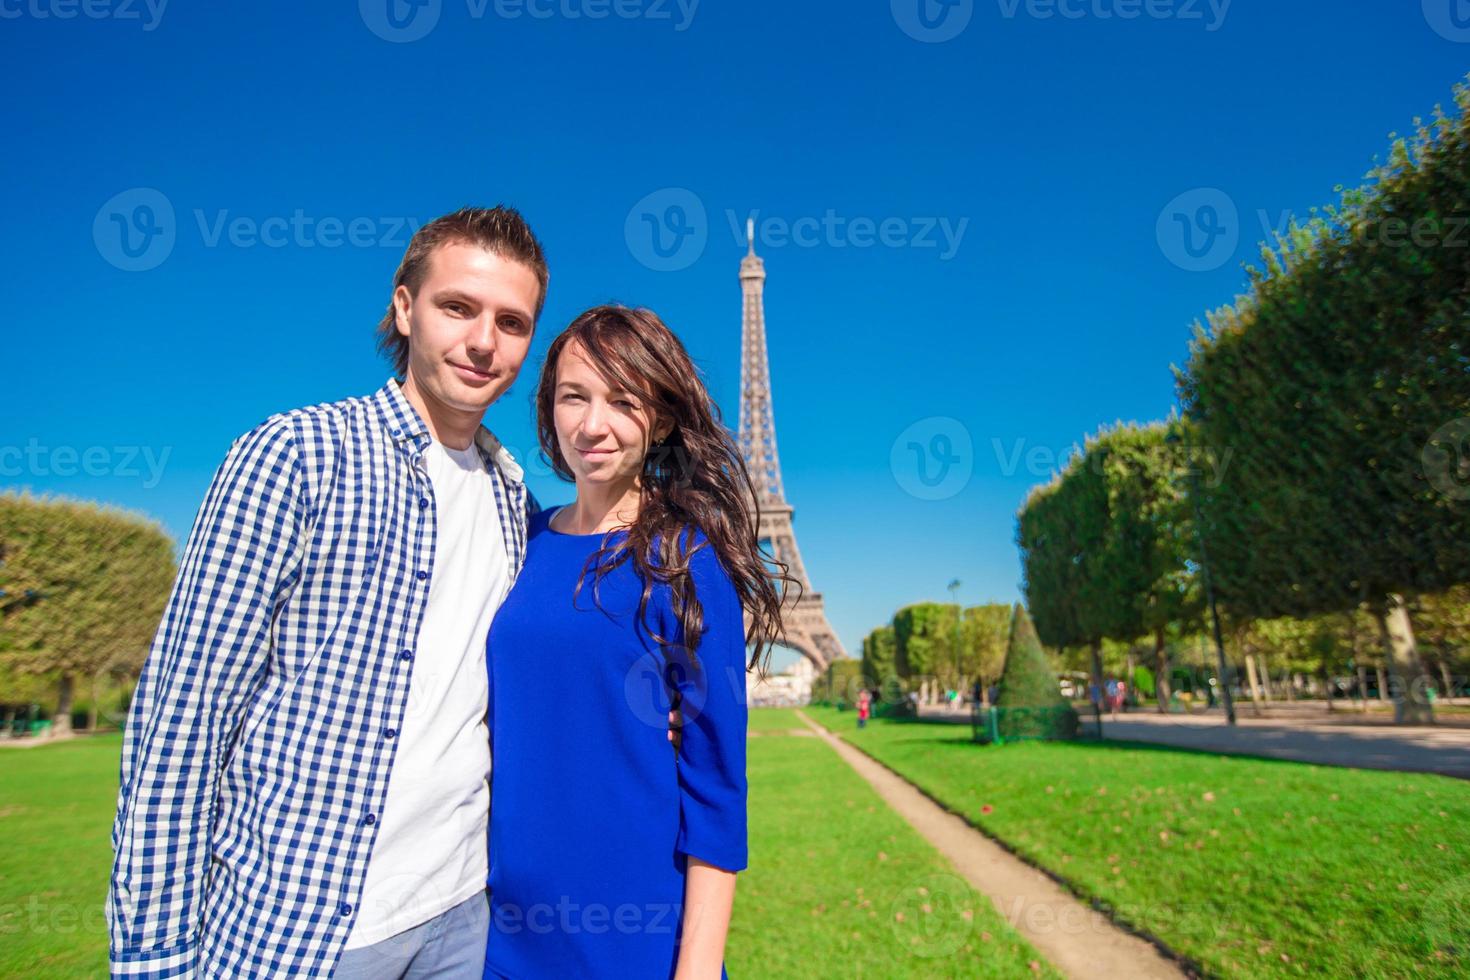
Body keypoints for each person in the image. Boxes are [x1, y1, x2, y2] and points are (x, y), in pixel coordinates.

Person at [107, 207, 558, 978]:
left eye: (511, 322)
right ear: (404, 306)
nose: (485, 341)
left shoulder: (515, 502)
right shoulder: (296, 455)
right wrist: (154, 957)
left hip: (465, 916)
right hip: (304, 927)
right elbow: (184, 717)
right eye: (458, 307)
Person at [482, 305, 789, 979]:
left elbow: (716, 789)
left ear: (665, 420)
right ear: (548, 408)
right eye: (573, 396)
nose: (593, 425)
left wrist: (700, 967)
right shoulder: (518, 543)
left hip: (633, 942)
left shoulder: (688, 561)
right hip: (501, 939)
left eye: (624, 401)